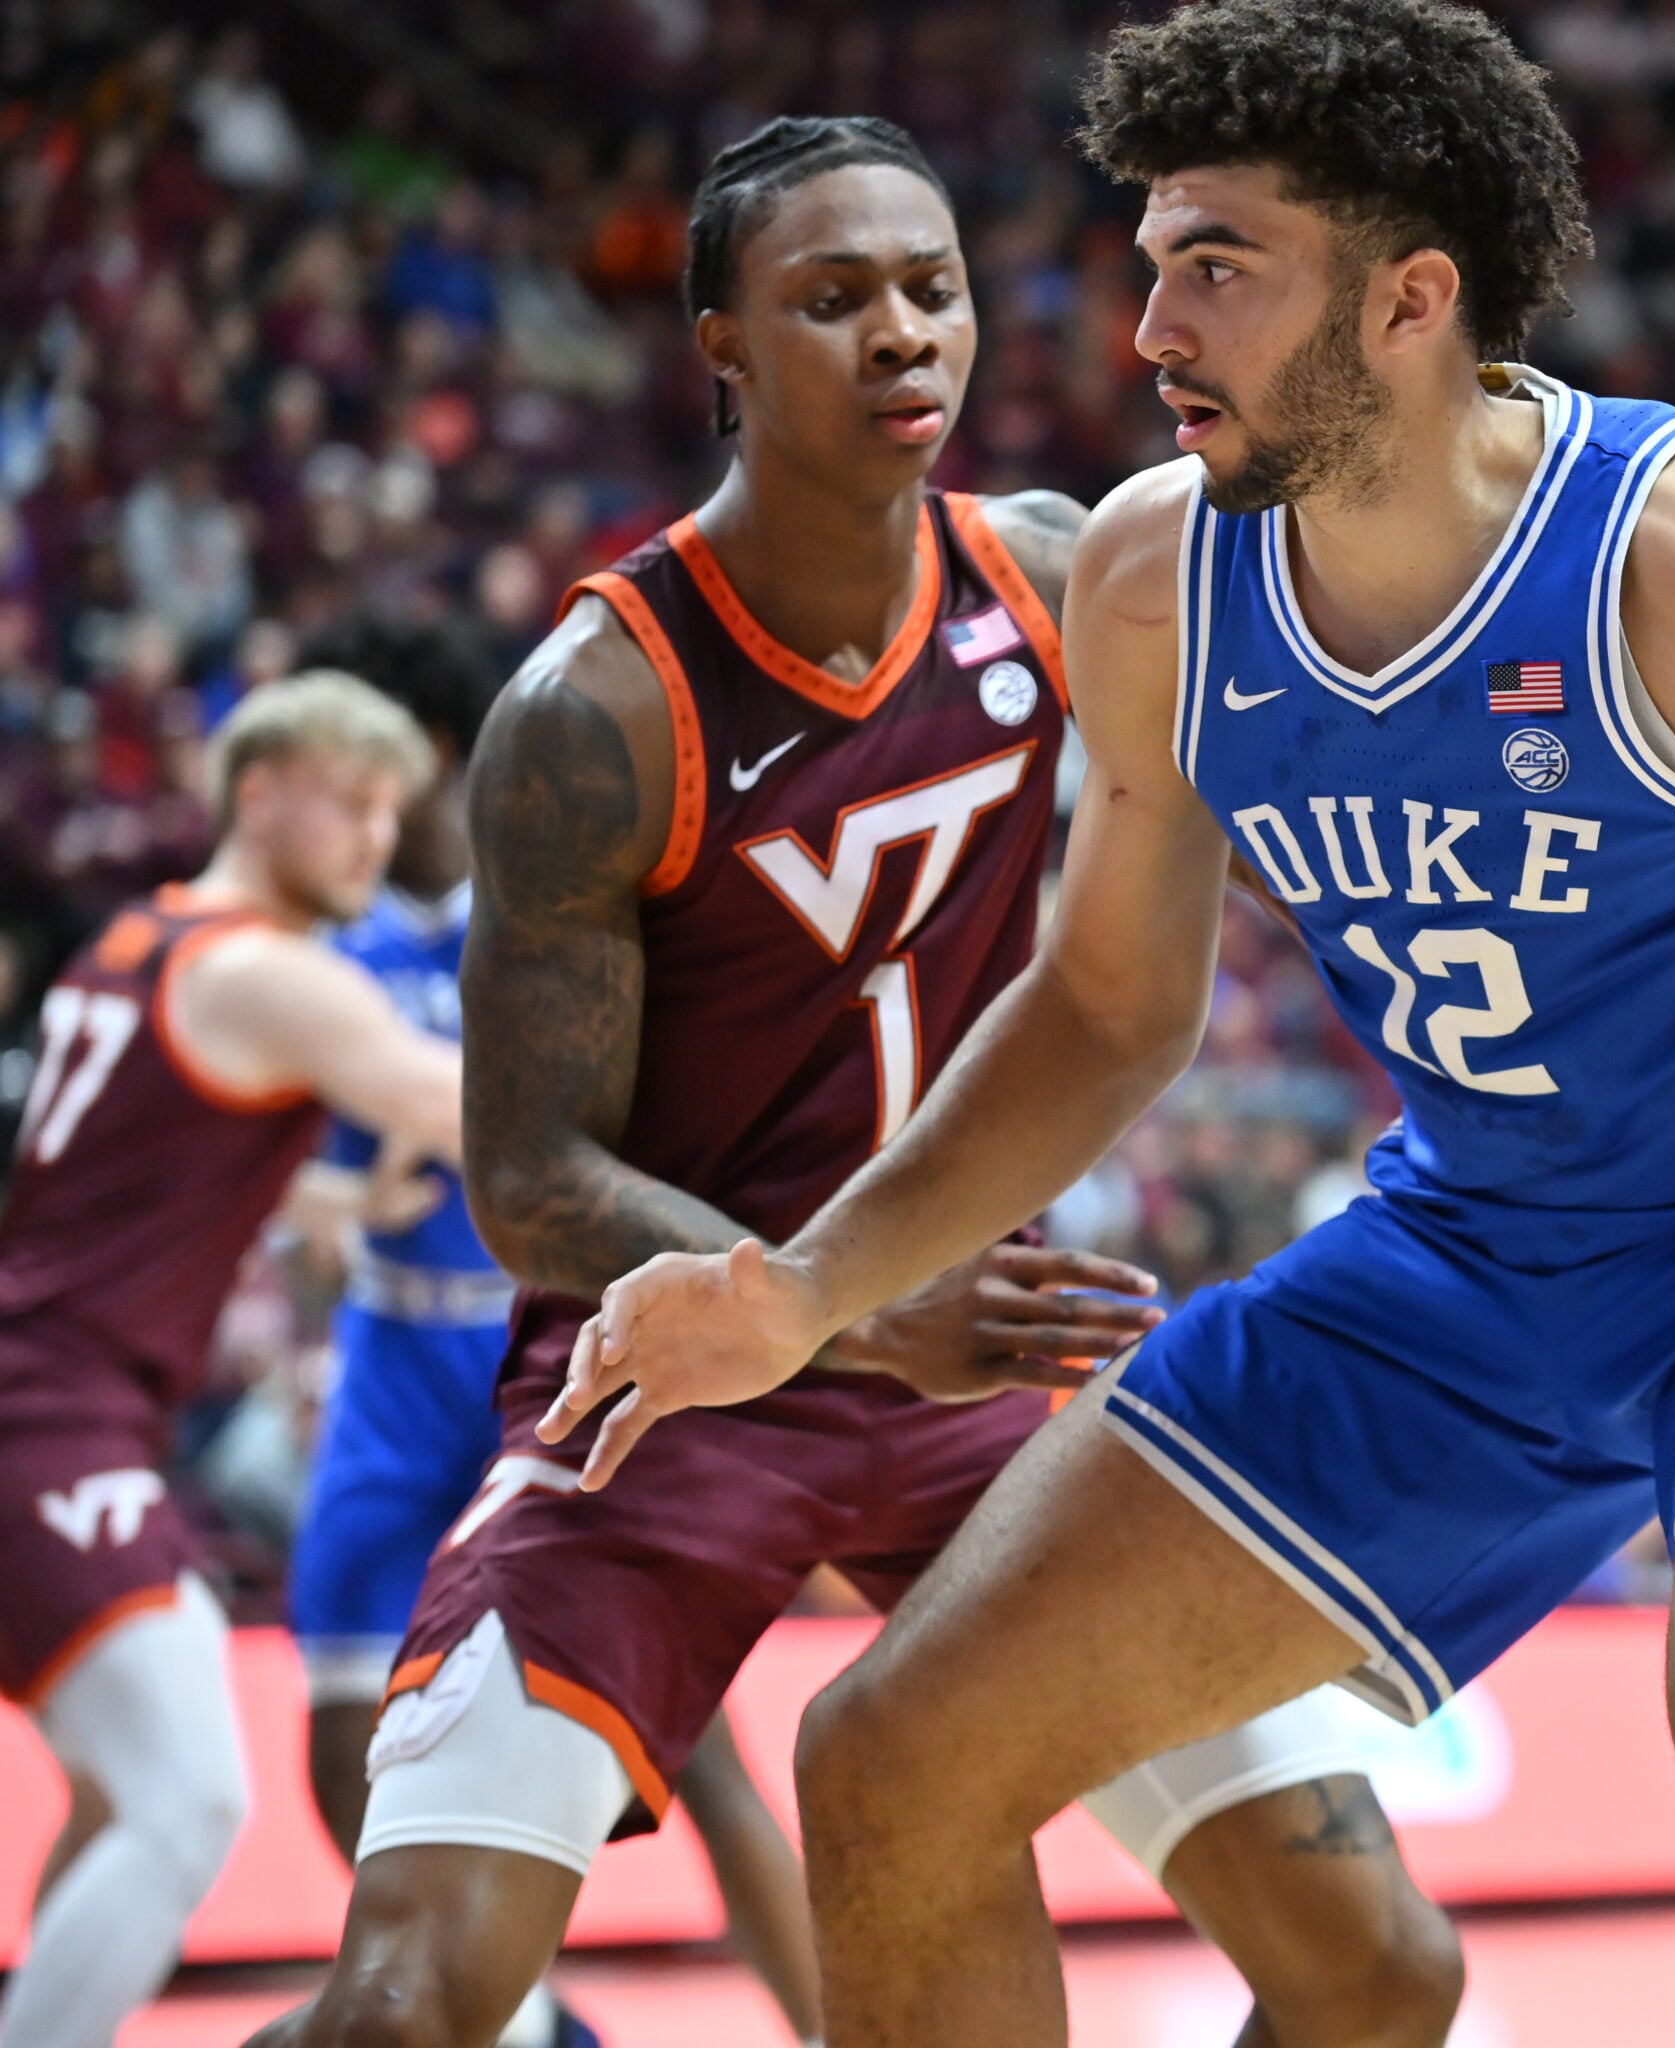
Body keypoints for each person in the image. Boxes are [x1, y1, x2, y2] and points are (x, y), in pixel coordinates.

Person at [552, 8, 1675, 2042]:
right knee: (894, 1758)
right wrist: (803, 1287)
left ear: (1407, 301)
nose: (1150, 321)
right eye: (1151, 258)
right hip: (1472, 1241)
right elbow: (1102, 1010)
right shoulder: (1152, 577)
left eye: (1217, 265)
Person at [253, 115, 1459, 2048]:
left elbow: (1352, 742)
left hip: (981, 1390)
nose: (904, 334)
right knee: (405, 2011)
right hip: (682, 1380)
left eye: (932, 289)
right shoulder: (599, 706)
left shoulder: (1061, 574)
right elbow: (530, 1174)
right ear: (721, 344)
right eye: (834, 300)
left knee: (1383, 1971)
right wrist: (859, 1307)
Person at [282, 616, 821, 2048]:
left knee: (699, 1768)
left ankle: (837, 2027)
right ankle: (518, 2025)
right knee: (344, 1748)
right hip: (397, 1361)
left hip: (553, 1349)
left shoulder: (550, 902)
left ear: (431, 762)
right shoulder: (326, 942)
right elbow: (278, 1174)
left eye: (369, 771)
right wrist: (324, 1206)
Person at [0, 673, 460, 2048]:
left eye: (394, 810)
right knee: (189, 1799)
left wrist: (323, 1204)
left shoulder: (139, 939)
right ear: (259, 793)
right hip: (50, 1417)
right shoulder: (269, 972)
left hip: (49, 1402)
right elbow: (462, 1108)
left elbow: (126, 1165)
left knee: (120, 1788)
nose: (378, 837)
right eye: (353, 801)